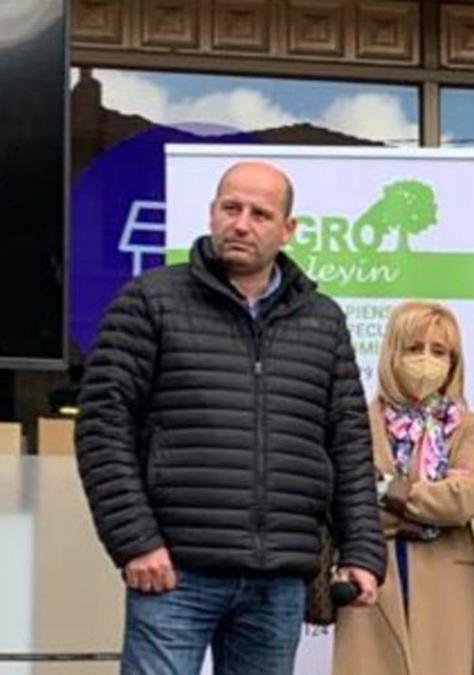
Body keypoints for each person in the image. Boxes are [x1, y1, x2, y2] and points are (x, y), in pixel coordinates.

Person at [76, 161, 386, 675]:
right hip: (173, 571)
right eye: (231, 208)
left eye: (260, 213)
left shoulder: (323, 320)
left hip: (278, 578)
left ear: (288, 230)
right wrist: (136, 541)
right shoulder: (151, 300)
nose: (241, 223)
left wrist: (362, 550)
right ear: (212, 213)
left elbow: (348, 443)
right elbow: (103, 428)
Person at [334, 301, 474, 675]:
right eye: (414, 348)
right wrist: (421, 507)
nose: (426, 360)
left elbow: (463, 501)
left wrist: (386, 489)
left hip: (447, 582)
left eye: (439, 351)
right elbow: (345, 501)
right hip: (372, 572)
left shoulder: (468, 426)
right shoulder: (355, 422)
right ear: (392, 353)